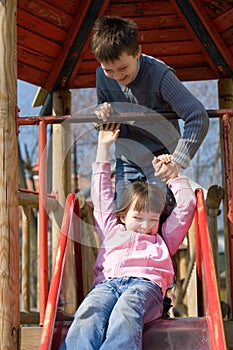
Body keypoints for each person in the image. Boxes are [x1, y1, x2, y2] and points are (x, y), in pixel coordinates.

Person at [60, 125, 196, 350]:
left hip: (145, 288)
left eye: (153, 219)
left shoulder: (163, 238)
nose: (145, 226)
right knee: (88, 312)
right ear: (123, 215)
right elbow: (102, 194)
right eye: (138, 217)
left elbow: (185, 207)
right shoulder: (111, 229)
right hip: (107, 286)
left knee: (126, 309)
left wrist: (174, 177)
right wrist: (103, 147)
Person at [91, 15, 209, 207]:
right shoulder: (102, 77)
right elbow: (104, 119)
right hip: (127, 159)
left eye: (123, 68)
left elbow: (198, 116)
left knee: (157, 217)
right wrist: (100, 115)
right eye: (108, 70)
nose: (117, 76)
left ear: (137, 52)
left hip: (161, 158)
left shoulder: (159, 75)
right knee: (125, 216)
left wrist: (177, 161)